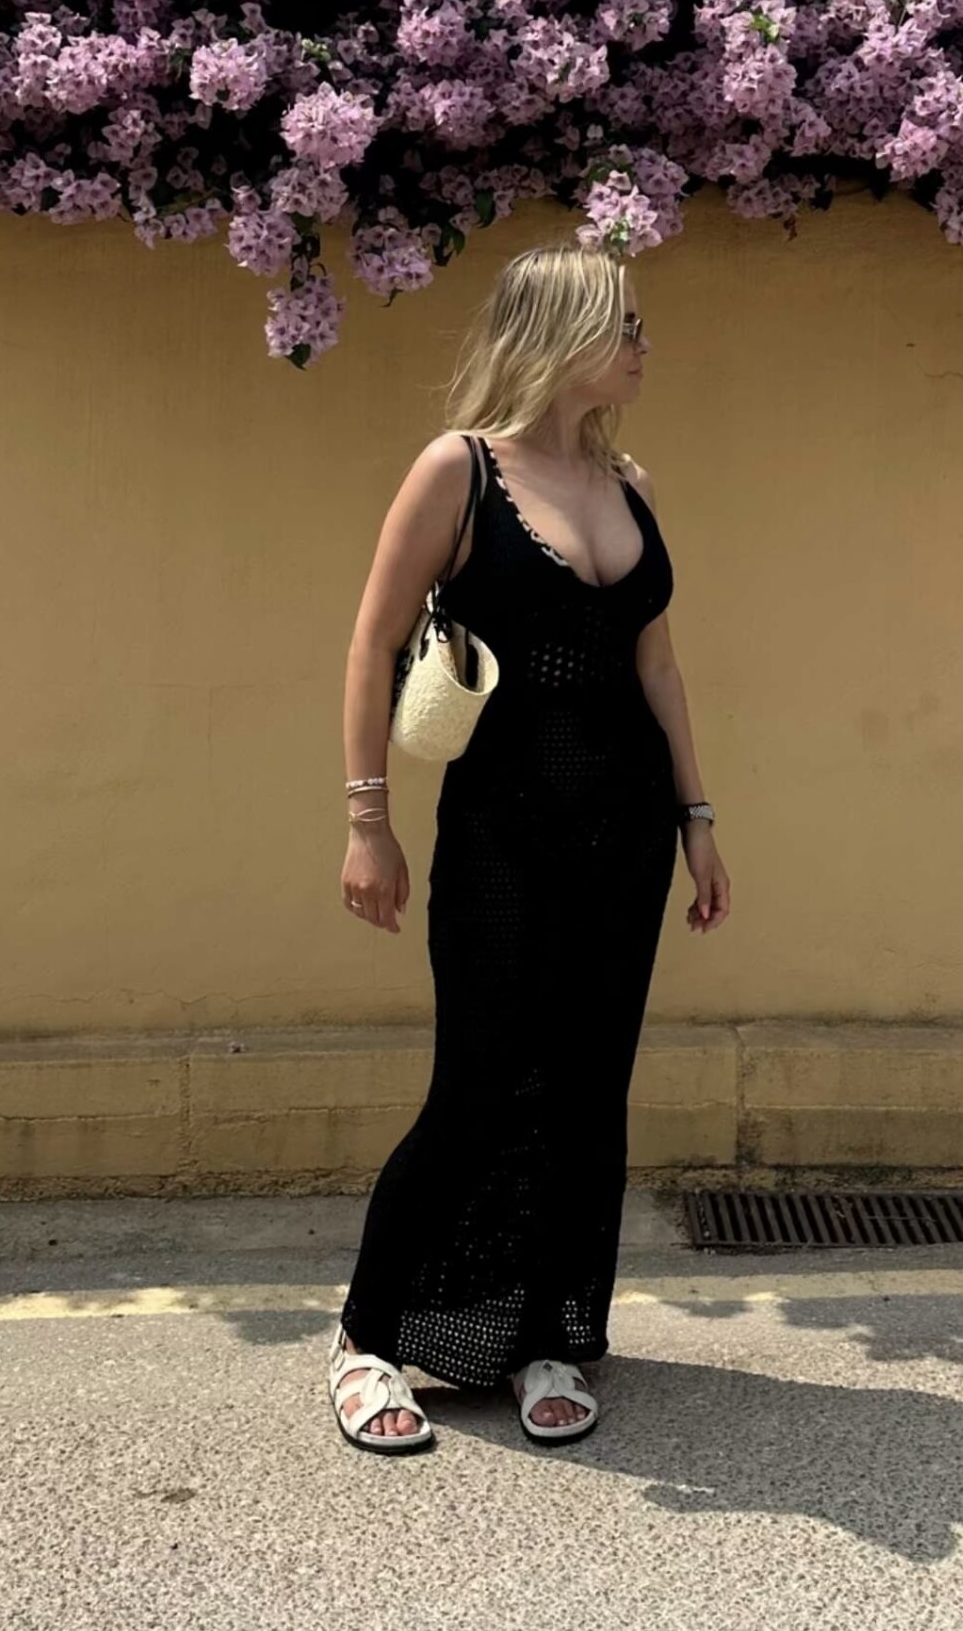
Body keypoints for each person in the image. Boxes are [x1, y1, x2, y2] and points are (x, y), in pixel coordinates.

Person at [329, 239, 731, 1454]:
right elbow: (371, 644)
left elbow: (656, 664)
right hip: (502, 831)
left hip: (627, 834)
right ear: (561, 336)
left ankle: (547, 1330)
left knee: (587, 1089)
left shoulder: (630, 482)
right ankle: (367, 1338)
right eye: (624, 325)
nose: (643, 346)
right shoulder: (456, 471)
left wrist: (697, 820)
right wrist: (365, 821)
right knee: (479, 1086)